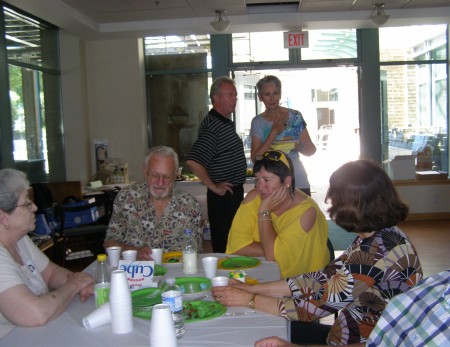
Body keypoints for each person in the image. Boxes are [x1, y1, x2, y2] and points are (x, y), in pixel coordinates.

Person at [212, 159, 423, 345]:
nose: (330, 203)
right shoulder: (380, 236)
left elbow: (310, 309)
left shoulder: (377, 253)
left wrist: (248, 300)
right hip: (346, 335)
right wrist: (254, 289)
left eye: (335, 198)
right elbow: (322, 278)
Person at [0, 169, 94, 339]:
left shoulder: (20, 240)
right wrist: (73, 285)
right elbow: (35, 314)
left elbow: (50, 273)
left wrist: (82, 282)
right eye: (27, 203)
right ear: (3, 217)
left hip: (38, 333)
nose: (34, 207)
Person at [255, 269, 450, 347]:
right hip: (341, 337)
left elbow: (318, 305)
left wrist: (251, 299)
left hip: (345, 336)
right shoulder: (439, 282)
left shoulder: (381, 249)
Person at [225, 150, 329, 278]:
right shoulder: (254, 197)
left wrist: (264, 212)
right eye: (257, 179)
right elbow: (237, 247)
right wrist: (274, 247)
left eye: (266, 180)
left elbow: (272, 257)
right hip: (261, 274)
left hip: (302, 285)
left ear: (287, 181)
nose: (260, 187)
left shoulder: (306, 212)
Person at [104, 146, 202, 260]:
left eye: (166, 176)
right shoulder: (126, 198)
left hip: (175, 274)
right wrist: (136, 253)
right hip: (134, 273)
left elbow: (196, 253)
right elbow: (109, 244)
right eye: (155, 175)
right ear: (145, 172)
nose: (160, 183)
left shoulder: (190, 205)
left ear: (175, 176)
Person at [186, 76, 247, 253]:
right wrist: (214, 187)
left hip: (231, 194)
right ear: (216, 98)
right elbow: (194, 160)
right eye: (230, 94)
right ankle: (225, 279)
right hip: (224, 196)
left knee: (233, 241)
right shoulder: (214, 125)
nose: (235, 98)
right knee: (225, 245)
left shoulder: (222, 122)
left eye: (235, 94)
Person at [250, 75, 316, 196]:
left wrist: (299, 147)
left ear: (280, 94)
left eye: (275, 93)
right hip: (269, 182)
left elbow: (311, 150)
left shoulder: (295, 117)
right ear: (260, 97)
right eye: (267, 94)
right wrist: (274, 132)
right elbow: (256, 158)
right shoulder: (258, 122)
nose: (272, 98)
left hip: (297, 178)